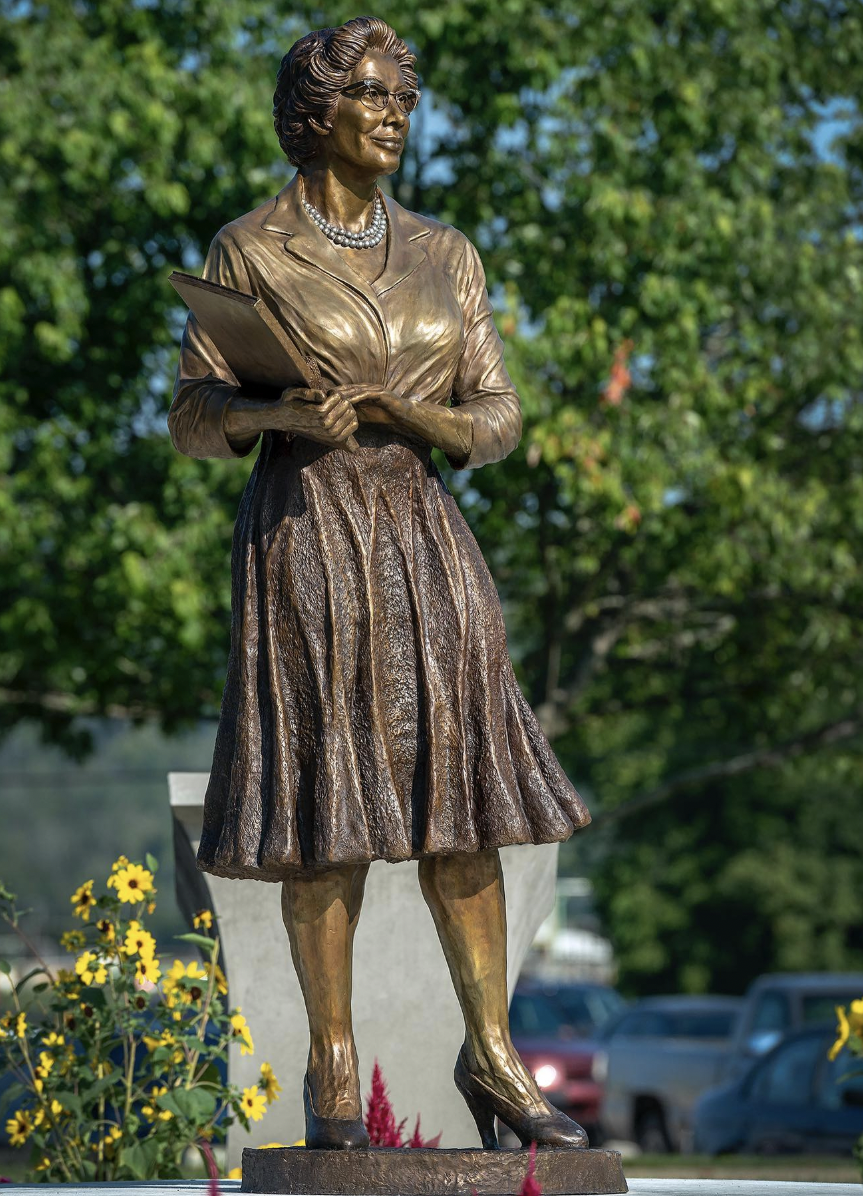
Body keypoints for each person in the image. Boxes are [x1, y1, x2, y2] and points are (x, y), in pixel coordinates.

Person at [169, 16, 591, 1152]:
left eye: (404, 94)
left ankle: (493, 1053)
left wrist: (408, 410)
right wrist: (270, 414)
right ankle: (333, 1061)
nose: (395, 111)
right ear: (316, 113)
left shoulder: (447, 254)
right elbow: (190, 417)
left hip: (422, 540)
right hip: (306, 539)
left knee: (466, 799)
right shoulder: (249, 248)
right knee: (326, 809)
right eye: (370, 93)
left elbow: (497, 419)